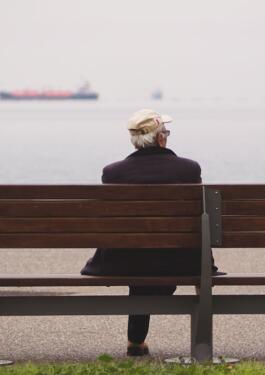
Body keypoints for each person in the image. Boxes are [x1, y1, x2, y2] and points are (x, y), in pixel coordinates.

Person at [81, 109, 218, 357]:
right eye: (165, 131)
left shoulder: (113, 173)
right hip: (180, 262)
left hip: (124, 262)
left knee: (140, 254)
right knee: (157, 256)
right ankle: (195, 343)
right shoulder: (188, 170)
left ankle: (136, 339)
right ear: (161, 139)